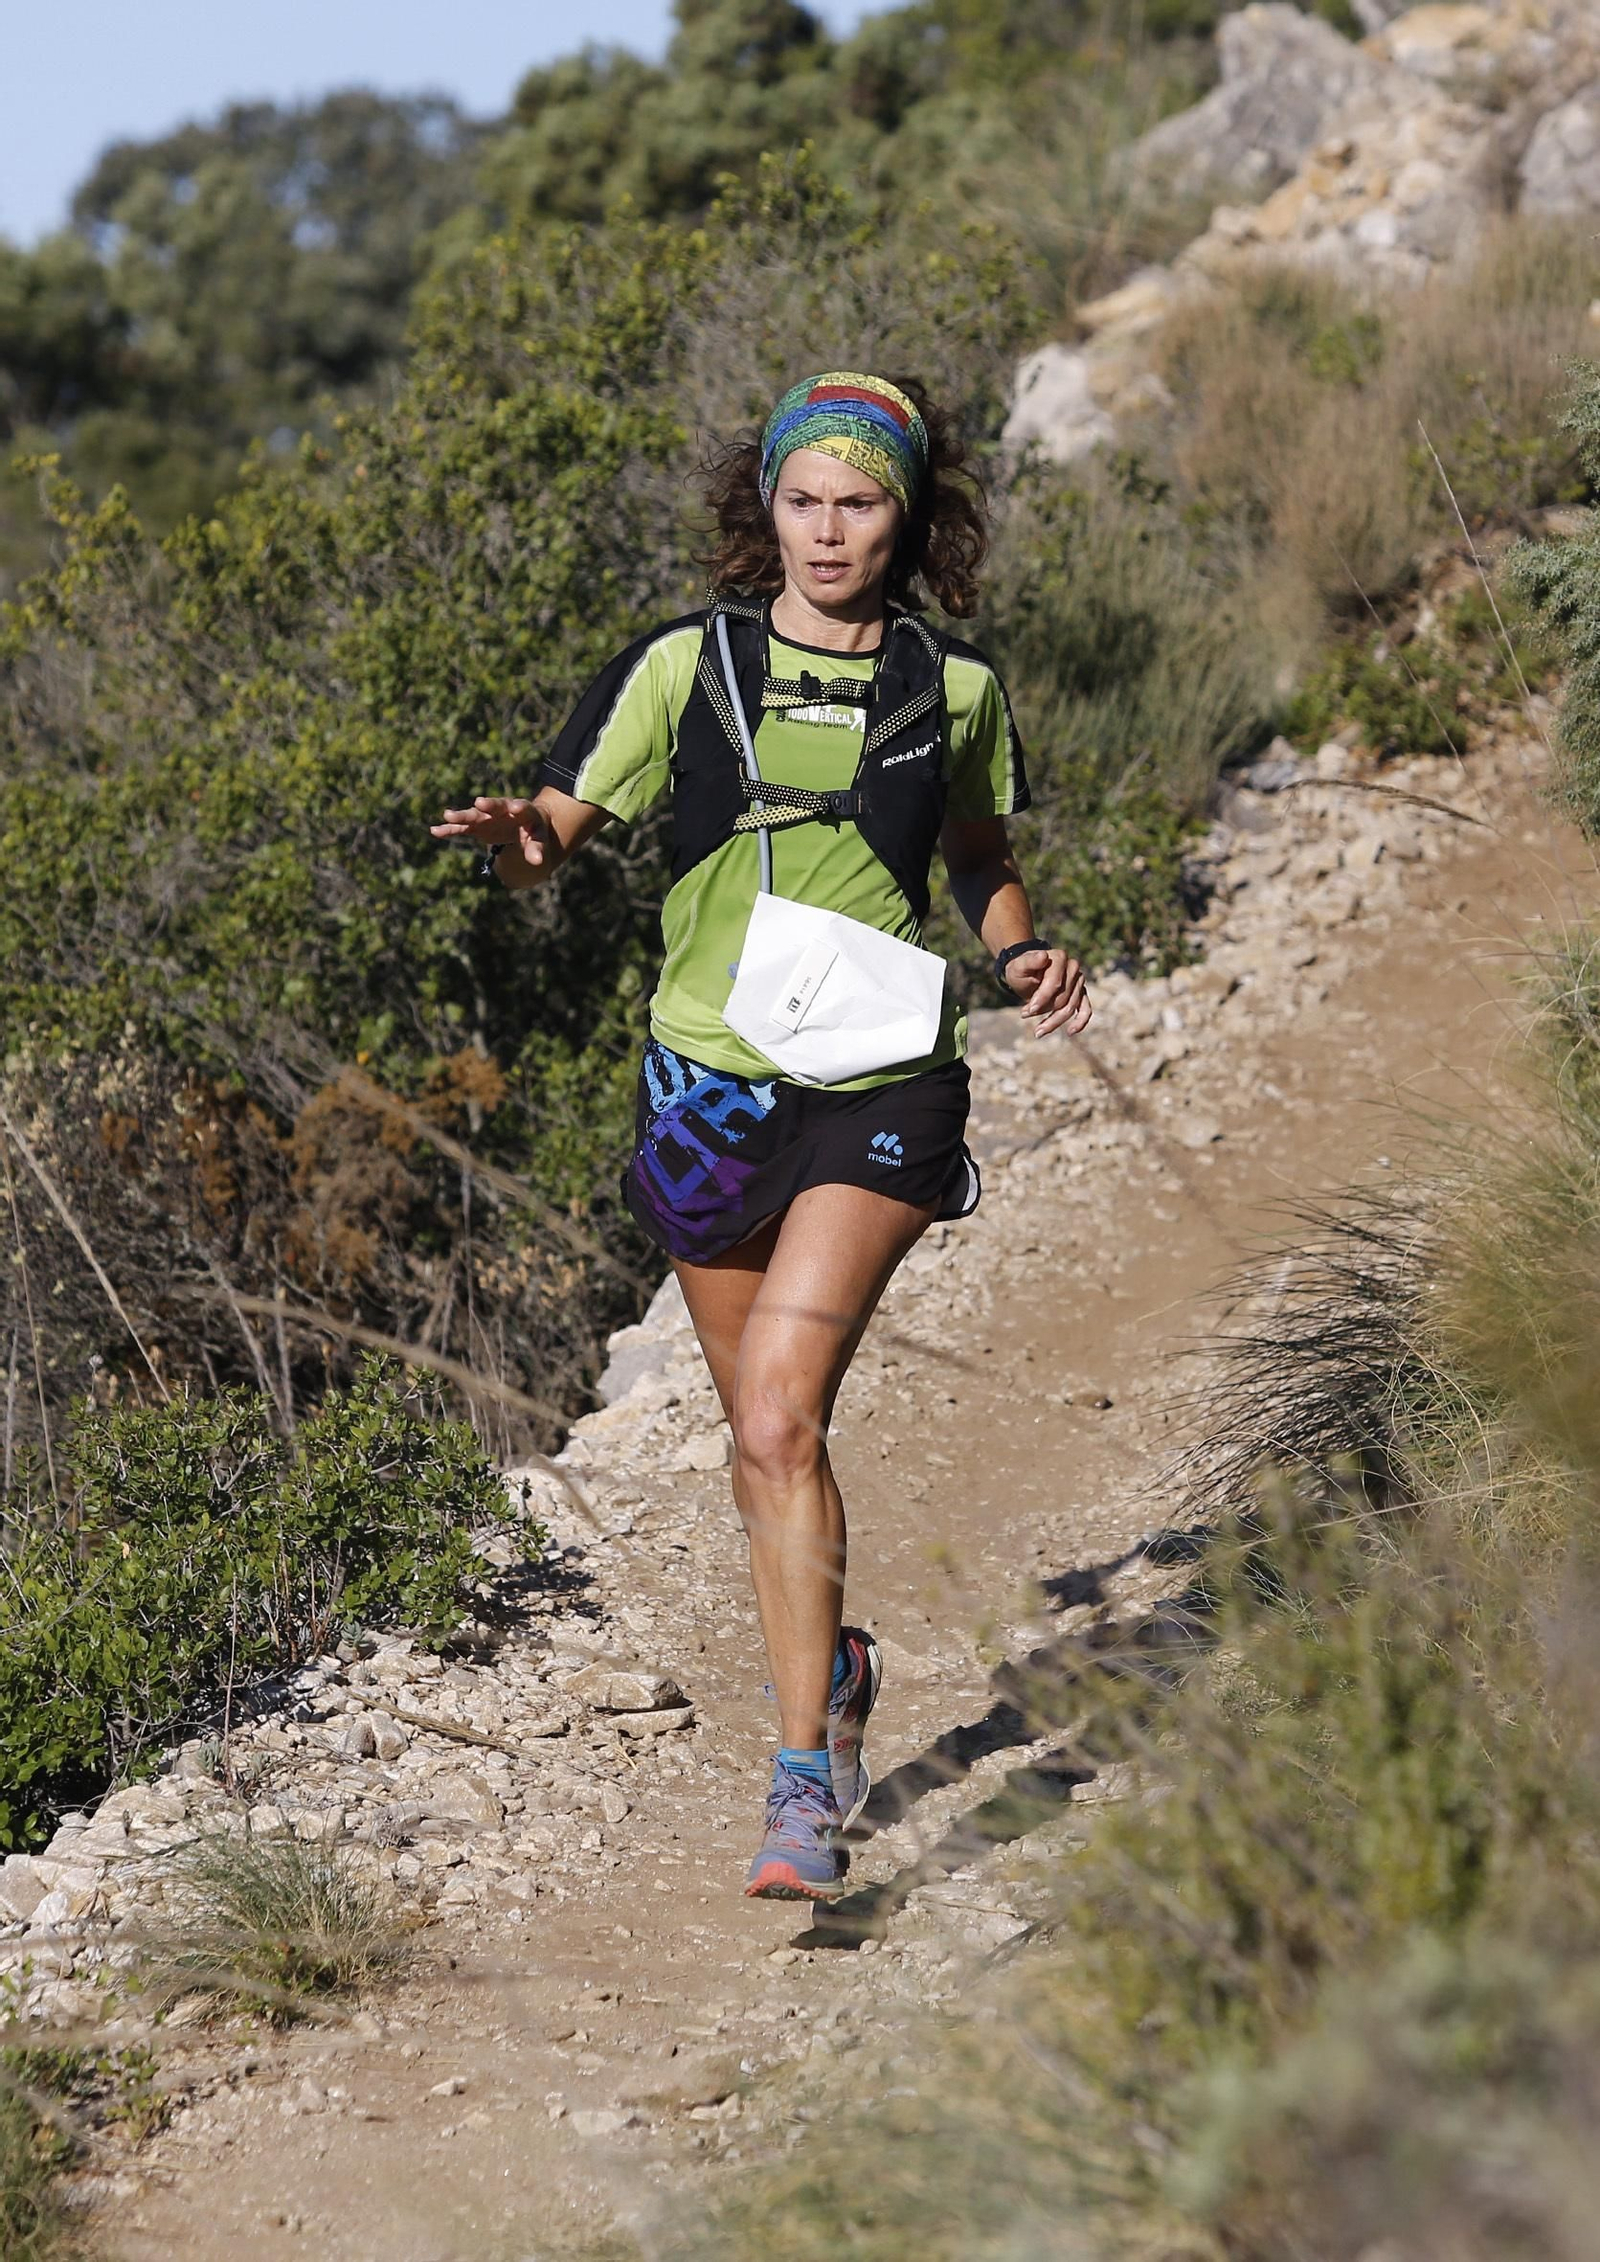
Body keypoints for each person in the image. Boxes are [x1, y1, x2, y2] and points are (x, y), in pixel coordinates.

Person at [432, 371, 1091, 1901]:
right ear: (767, 507)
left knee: (783, 1420)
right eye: (804, 500)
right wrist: (516, 845)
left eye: (859, 503)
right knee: (758, 1442)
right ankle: (837, 1666)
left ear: (906, 519)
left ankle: (801, 1787)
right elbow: (550, 837)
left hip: (882, 1081)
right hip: (710, 1094)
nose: (828, 530)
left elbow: (978, 852)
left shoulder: (955, 687)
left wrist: (1018, 950)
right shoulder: (685, 665)